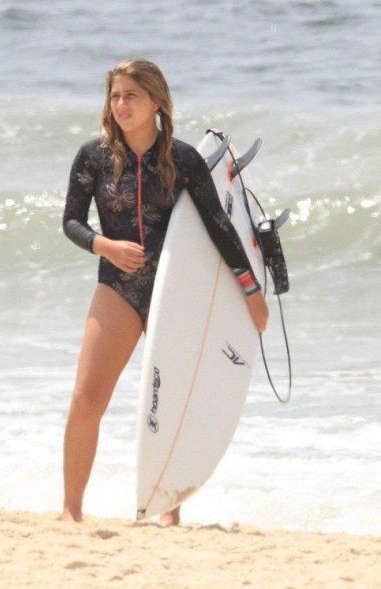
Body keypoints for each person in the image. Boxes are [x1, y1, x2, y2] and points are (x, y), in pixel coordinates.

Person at [59, 59, 269, 525]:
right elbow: (71, 222)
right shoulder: (93, 157)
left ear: (156, 101)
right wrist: (105, 246)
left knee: (172, 401)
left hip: (174, 290)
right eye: (115, 96)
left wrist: (250, 290)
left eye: (131, 96)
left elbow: (218, 227)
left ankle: (167, 512)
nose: (121, 105)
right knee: (86, 399)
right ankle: (71, 511)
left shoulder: (184, 160)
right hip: (118, 287)